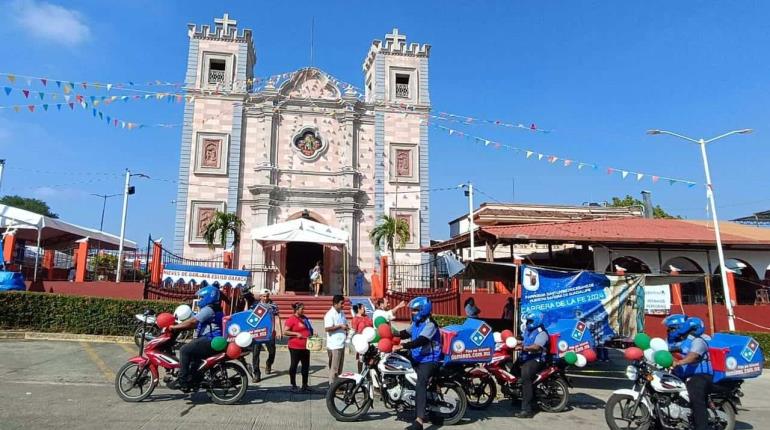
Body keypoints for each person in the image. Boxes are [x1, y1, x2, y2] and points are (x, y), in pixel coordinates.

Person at [392, 297, 443, 430]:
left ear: (422, 310)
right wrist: (391, 334)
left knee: (421, 383)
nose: (412, 312)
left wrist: (404, 346)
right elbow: (404, 333)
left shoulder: (430, 324)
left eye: (415, 310)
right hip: (418, 357)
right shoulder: (417, 323)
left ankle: (419, 421)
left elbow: (421, 341)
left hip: (430, 360)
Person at [168, 285, 224, 391]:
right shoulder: (215, 308)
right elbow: (194, 323)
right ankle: (193, 380)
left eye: (202, 298)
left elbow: (193, 322)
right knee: (193, 356)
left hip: (210, 339)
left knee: (184, 350)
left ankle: (182, 380)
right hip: (212, 339)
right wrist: (180, 326)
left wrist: (174, 327)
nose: (200, 300)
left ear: (209, 297)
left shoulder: (209, 309)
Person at [666, 315, 712, 430]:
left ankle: (702, 427)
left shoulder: (699, 341)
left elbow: (693, 356)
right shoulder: (685, 342)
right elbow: (675, 352)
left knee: (696, 396)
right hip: (687, 374)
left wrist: (680, 363)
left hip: (701, 375)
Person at [512, 311, 550, 418]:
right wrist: (514, 340)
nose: (528, 322)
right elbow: (523, 340)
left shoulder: (541, 333)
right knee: (512, 373)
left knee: (526, 377)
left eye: (530, 321)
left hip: (537, 359)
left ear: (536, 320)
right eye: (528, 320)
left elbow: (536, 347)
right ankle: (516, 398)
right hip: (526, 358)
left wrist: (523, 347)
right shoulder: (528, 330)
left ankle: (527, 410)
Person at [246, 288, 282, 383]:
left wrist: (279, 331)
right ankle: (257, 374)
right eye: (264, 296)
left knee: (272, 352)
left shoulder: (273, 305)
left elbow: (277, 317)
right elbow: (248, 316)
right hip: (257, 333)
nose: (265, 298)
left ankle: (269, 363)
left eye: (267, 296)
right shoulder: (255, 305)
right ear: (260, 296)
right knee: (255, 354)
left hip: (269, 332)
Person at [284, 302, 313, 392]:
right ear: (297, 310)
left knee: (306, 366)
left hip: (306, 346)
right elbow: (285, 331)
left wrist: (312, 333)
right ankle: (293, 384)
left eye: (304, 309)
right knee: (294, 365)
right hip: (295, 347)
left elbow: (308, 329)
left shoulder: (305, 319)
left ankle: (305, 385)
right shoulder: (291, 319)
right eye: (302, 309)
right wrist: (296, 333)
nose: (304, 310)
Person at [324, 294, 349, 385]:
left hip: (341, 343)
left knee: (339, 367)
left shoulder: (342, 313)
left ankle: (337, 384)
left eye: (343, 303)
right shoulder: (329, 314)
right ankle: (332, 385)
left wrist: (346, 327)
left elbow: (345, 324)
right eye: (341, 303)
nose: (343, 305)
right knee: (334, 368)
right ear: (335, 304)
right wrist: (339, 326)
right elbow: (327, 328)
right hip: (334, 345)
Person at [350, 304, 373, 372]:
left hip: (369, 341)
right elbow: (354, 331)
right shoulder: (355, 319)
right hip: (361, 342)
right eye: (363, 308)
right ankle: (360, 373)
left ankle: (368, 373)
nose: (364, 309)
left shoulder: (366, 317)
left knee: (369, 358)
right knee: (361, 359)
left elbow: (371, 324)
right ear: (359, 310)